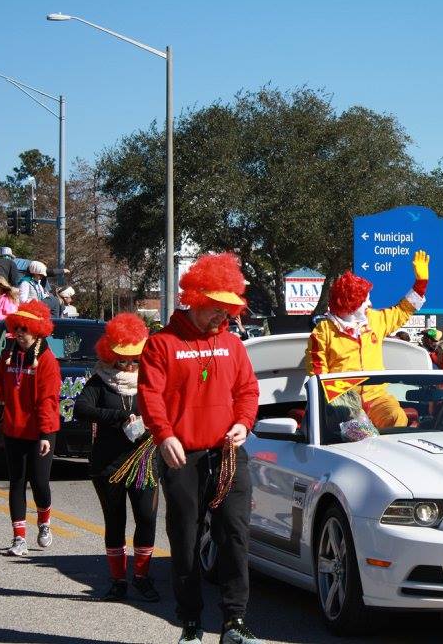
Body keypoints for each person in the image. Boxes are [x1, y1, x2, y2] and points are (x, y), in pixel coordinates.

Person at [138, 253, 261, 644]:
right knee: (185, 539)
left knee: (235, 536)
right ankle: (190, 623)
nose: (221, 316)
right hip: (183, 455)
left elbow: (247, 391)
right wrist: (164, 434)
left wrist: (243, 423)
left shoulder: (233, 345)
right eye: (214, 308)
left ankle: (234, 623)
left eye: (227, 308)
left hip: (227, 454)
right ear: (195, 299)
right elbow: (150, 395)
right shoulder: (162, 344)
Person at [75, 313, 159, 603]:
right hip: (107, 463)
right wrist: (118, 417)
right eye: (124, 359)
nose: (130, 365)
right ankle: (118, 581)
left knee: (146, 518)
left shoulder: (151, 380)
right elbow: (81, 410)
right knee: (115, 521)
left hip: (143, 460)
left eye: (135, 358)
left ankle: (143, 577)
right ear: (111, 355)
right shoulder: (100, 380)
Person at [306, 251, 429, 428]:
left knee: (397, 417)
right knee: (353, 430)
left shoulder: (374, 320)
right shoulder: (323, 332)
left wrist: (421, 284)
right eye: (365, 300)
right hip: (343, 403)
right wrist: (346, 405)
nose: (370, 304)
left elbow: (403, 310)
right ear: (352, 303)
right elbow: (318, 375)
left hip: (377, 398)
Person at [0, 301, 61, 556]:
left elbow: (49, 400)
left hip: (39, 432)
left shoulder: (47, 360)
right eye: (17, 329)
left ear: (37, 331)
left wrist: (47, 434)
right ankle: (18, 539)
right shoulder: (8, 356)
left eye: (25, 330)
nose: (20, 334)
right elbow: (4, 389)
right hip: (14, 430)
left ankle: (45, 523)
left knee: (39, 482)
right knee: (16, 482)